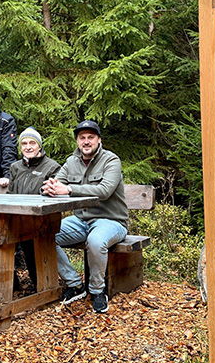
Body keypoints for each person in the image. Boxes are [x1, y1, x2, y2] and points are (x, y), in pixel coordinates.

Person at [42, 120, 128, 314]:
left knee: (96, 241)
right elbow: (57, 182)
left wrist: (69, 189)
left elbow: (104, 191)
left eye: (91, 137)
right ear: (78, 141)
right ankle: (75, 284)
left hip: (112, 221)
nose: (86, 141)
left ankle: (97, 291)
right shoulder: (71, 162)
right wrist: (48, 187)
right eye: (82, 138)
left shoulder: (111, 160)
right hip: (80, 221)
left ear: (99, 140)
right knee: (44, 235)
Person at [8, 127, 60, 288]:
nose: (28, 147)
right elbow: (9, 194)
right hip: (16, 218)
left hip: (40, 220)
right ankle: (9, 281)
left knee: (31, 240)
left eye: (32, 143)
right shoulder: (15, 167)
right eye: (24, 143)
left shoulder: (52, 167)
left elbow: (54, 197)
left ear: (39, 146)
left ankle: (41, 284)